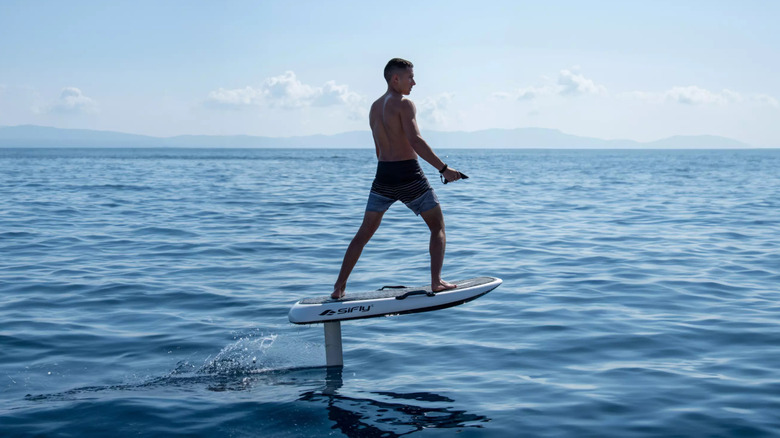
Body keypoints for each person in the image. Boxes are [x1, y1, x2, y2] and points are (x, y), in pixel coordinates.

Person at [331, 58, 462, 299]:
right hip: (409, 175)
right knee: (437, 227)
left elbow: (378, 150)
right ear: (395, 79)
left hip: (383, 175)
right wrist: (443, 168)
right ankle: (436, 281)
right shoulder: (405, 104)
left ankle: (339, 287)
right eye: (410, 77)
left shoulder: (373, 107)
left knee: (364, 233)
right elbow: (415, 140)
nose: (414, 82)